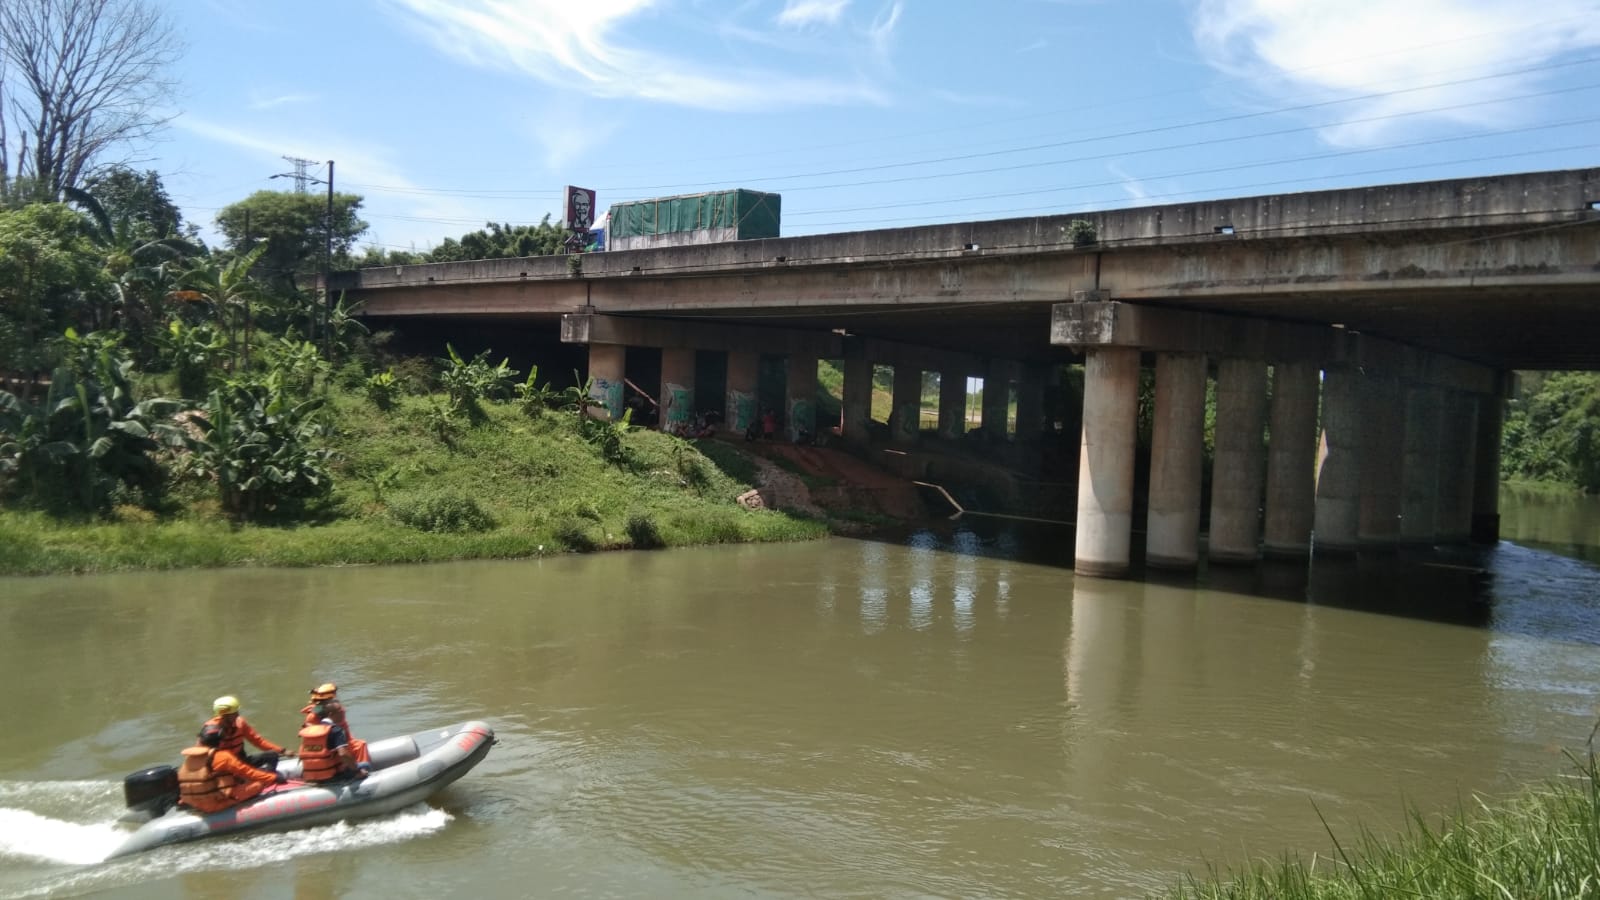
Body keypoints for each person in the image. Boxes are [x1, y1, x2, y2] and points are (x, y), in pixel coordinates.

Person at [176, 724, 285, 814]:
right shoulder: (223, 757)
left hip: (193, 801)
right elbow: (248, 772)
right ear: (220, 741)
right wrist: (273, 777)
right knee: (260, 782)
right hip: (215, 804)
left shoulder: (191, 757)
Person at [205, 695, 286, 774]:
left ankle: (267, 779)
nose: (237, 715)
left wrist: (282, 751)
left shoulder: (240, 723)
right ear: (223, 715)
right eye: (234, 713)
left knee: (272, 755)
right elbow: (204, 755)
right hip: (224, 767)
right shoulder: (210, 730)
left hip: (241, 762)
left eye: (237, 712)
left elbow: (258, 741)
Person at [300, 683, 370, 766]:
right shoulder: (337, 711)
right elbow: (343, 736)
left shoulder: (311, 714)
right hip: (334, 747)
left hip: (316, 749)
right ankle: (362, 770)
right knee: (360, 745)